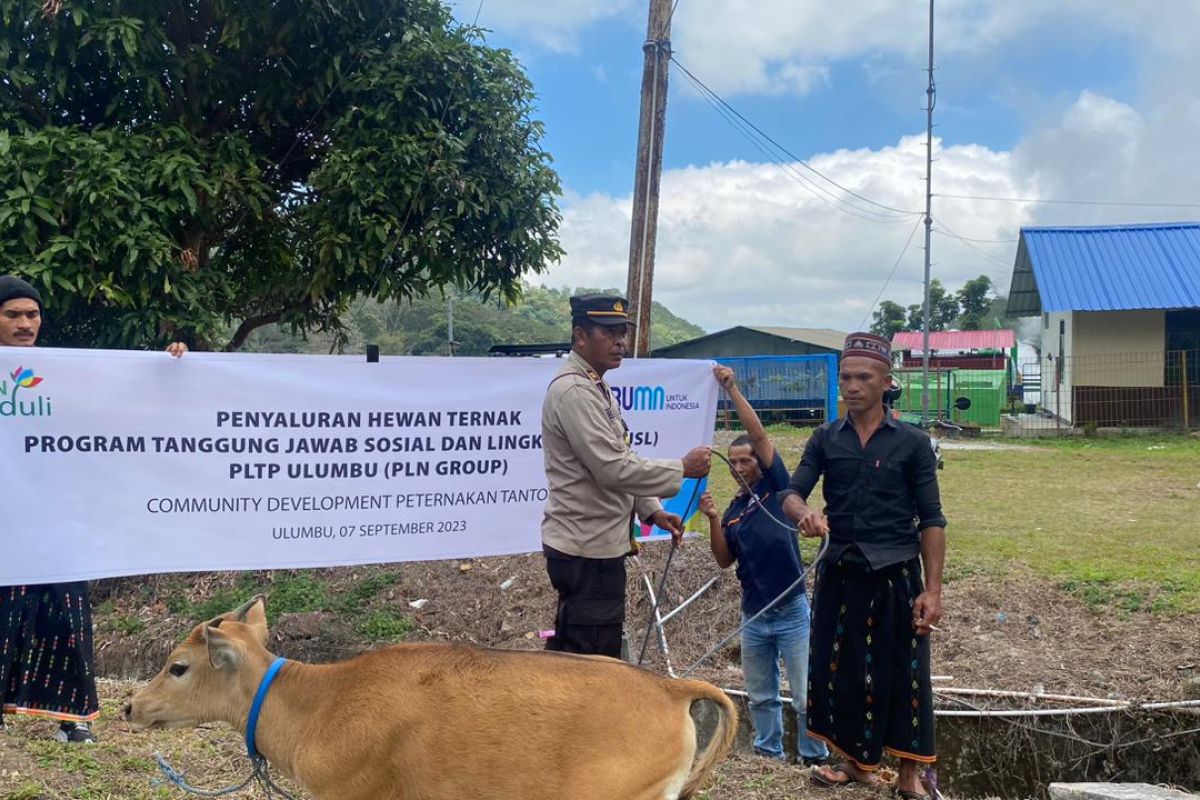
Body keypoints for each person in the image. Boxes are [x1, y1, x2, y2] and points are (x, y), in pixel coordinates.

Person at [0, 274, 187, 743]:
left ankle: (72, 717)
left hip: (56, 516)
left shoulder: (64, 370)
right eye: (13, 314)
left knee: (66, 613)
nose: (26, 324)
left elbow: (115, 404)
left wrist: (164, 369)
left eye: (32, 314)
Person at [780, 332, 946, 800]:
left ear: (886, 382)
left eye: (862, 377)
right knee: (841, 670)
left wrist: (932, 590)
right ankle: (856, 765)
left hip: (896, 573)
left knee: (907, 673)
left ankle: (911, 775)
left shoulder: (913, 443)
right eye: (845, 377)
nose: (851, 386)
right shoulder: (825, 438)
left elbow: (932, 519)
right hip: (840, 570)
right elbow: (791, 492)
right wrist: (804, 514)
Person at [540, 293, 711, 658]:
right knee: (590, 666)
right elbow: (612, 469)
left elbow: (621, 456)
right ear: (580, 335)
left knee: (594, 655)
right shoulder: (575, 391)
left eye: (623, 331)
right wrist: (682, 468)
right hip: (585, 550)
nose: (621, 341)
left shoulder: (594, 385)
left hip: (597, 545)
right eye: (609, 332)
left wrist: (651, 510)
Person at [699, 364, 830, 766]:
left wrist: (732, 390)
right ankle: (768, 754)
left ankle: (814, 756)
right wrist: (713, 520)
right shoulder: (736, 510)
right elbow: (724, 561)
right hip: (754, 616)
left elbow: (758, 434)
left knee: (806, 695)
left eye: (746, 461)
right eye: (734, 463)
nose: (740, 468)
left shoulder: (777, 489)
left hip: (791, 613)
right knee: (760, 695)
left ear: (760, 462)